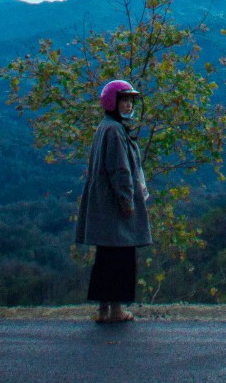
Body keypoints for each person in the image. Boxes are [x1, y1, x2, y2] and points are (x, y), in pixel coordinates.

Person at [75, 77, 151, 323]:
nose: (128, 105)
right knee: (121, 257)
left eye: (130, 101)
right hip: (114, 207)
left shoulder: (106, 127)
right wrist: (127, 201)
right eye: (124, 100)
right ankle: (117, 309)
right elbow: (120, 171)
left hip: (103, 207)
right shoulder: (115, 130)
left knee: (105, 258)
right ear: (112, 102)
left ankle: (103, 309)